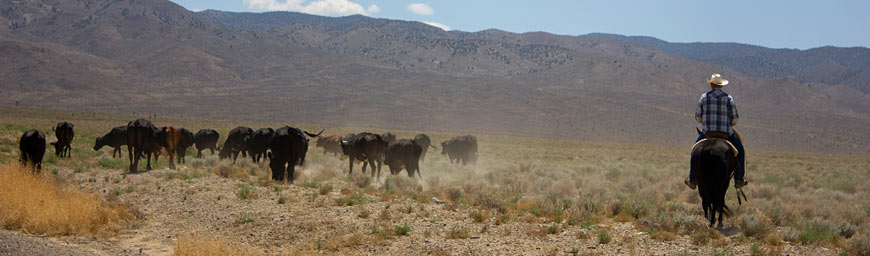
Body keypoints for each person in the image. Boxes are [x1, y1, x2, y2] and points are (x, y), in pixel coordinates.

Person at [685, 74, 747, 189]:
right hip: (726, 133)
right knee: (740, 151)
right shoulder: (728, 98)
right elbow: (735, 119)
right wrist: (728, 123)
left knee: (694, 151)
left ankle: (692, 180)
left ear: (711, 84)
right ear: (721, 85)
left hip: (707, 132)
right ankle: (739, 179)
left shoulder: (704, 97)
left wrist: (706, 120)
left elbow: (697, 117)